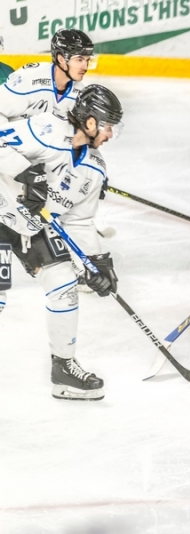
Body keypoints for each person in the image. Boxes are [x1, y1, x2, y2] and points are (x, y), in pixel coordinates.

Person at [0, 84, 123, 400]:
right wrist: (25, 173)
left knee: (64, 286)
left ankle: (63, 369)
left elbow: (78, 221)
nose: (111, 135)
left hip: (29, 226)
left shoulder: (94, 169)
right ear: (91, 122)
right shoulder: (46, 130)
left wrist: (97, 262)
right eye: (109, 126)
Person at [0, 29, 93, 124]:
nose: (85, 67)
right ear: (61, 59)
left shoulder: (80, 94)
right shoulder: (30, 79)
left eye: (87, 60)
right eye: (79, 60)